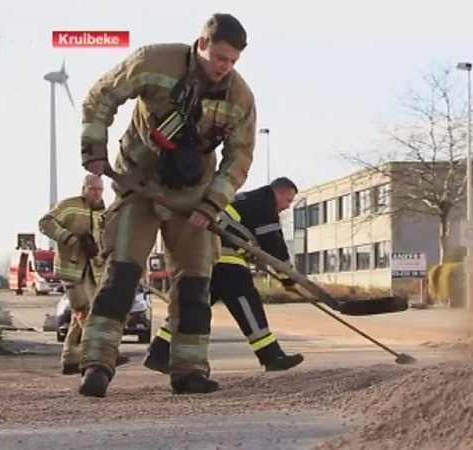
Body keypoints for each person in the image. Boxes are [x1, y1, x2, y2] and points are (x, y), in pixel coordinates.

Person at [77, 12, 256, 397]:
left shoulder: (240, 98)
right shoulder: (153, 61)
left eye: (234, 62)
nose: (225, 69)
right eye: (221, 58)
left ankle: (189, 370)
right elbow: (102, 96)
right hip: (137, 184)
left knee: (195, 283)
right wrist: (94, 148)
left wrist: (211, 204)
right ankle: (96, 364)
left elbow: (238, 159)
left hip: (194, 197)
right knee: (121, 275)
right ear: (202, 43)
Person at [143, 177, 304, 374]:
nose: (286, 208)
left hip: (212, 255)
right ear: (278, 192)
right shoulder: (264, 204)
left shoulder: (249, 200)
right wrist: (288, 276)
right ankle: (271, 356)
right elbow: (274, 245)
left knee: (192, 308)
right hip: (227, 260)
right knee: (247, 304)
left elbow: (249, 236)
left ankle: (158, 352)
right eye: (288, 200)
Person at [38, 174, 130, 375]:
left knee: (79, 315)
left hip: (93, 270)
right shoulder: (69, 206)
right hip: (70, 270)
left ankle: (71, 357)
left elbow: (105, 239)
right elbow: (45, 223)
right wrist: (72, 239)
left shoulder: (104, 213)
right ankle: (100, 353)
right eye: (94, 189)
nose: (98, 194)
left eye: (100, 190)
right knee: (84, 310)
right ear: (84, 189)